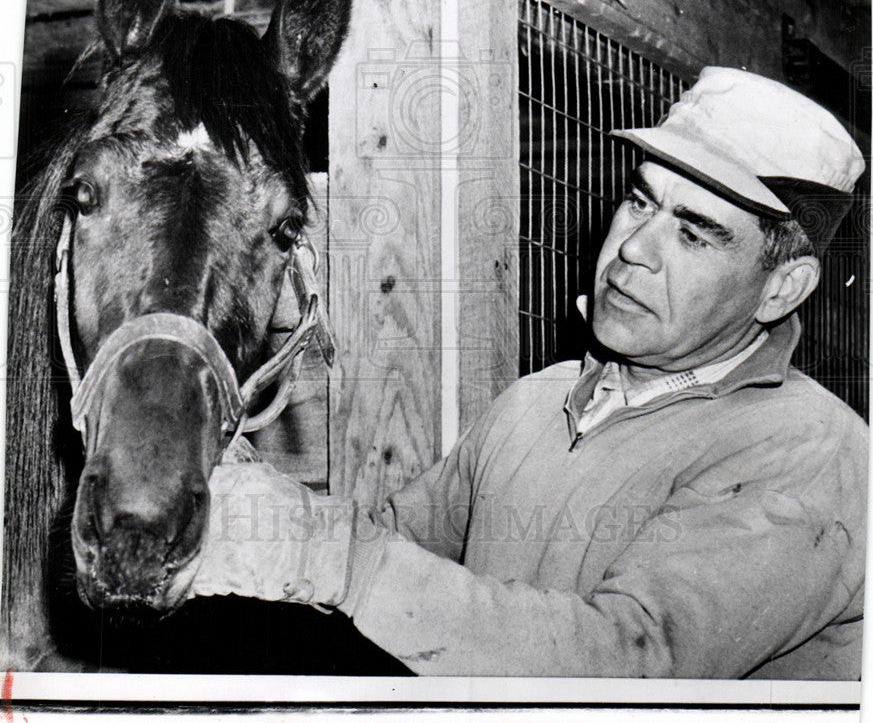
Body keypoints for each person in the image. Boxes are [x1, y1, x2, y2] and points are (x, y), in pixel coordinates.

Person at [192, 66, 868, 679]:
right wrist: (257, 503)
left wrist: (333, 556)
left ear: (782, 288)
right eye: (639, 202)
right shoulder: (536, 402)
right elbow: (383, 555)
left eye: (692, 233)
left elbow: (628, 660)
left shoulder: (811, 452)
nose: (633, 248)